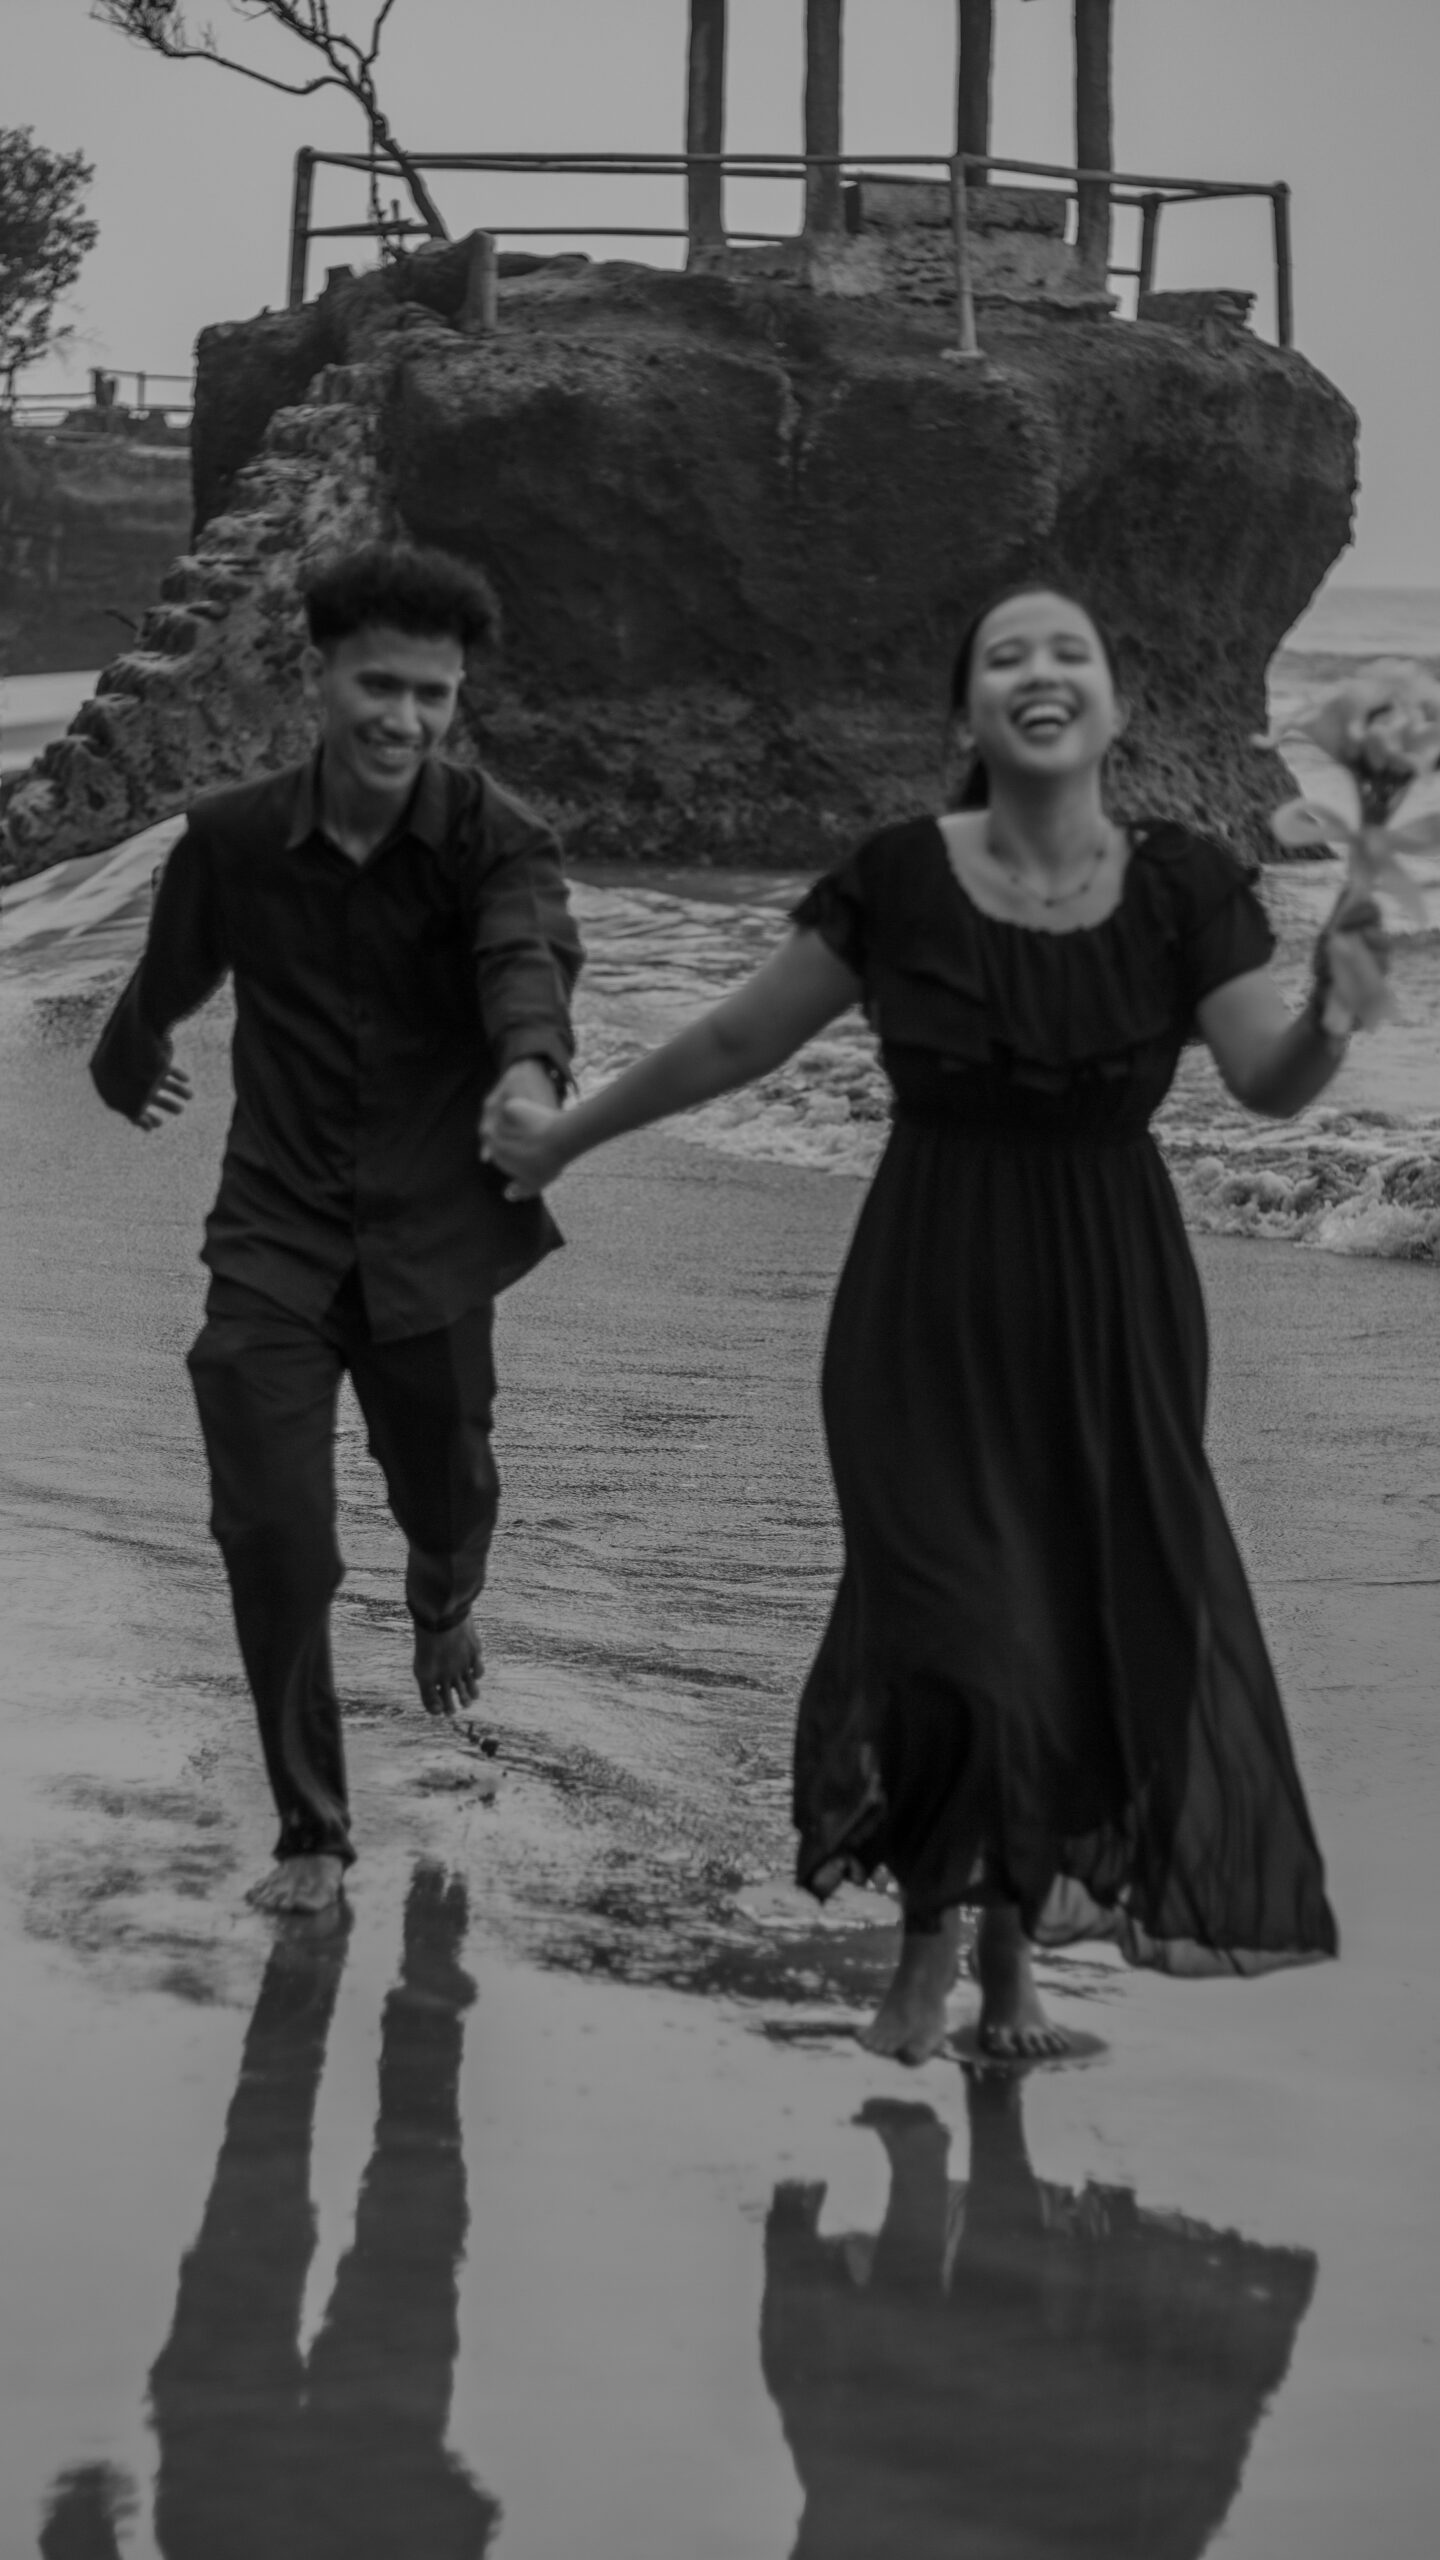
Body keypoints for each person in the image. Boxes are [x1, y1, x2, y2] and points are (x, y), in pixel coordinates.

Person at [483, 582, 1387, 2062]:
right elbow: (738, 1035)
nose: (1041, 670)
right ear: (969, 709)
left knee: (1065, 1627)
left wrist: (1338, 1011)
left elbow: (1269, 1085)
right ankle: (926, 1944)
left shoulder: (1186, 884)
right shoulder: (898, 876)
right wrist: (565, 1137)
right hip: (925, 1294)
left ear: (1116, 705)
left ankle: (1011, 1969)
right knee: (955, 1624)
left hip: (1113, 1304)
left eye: (1070, 651)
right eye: (1006, 654)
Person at [91, 540, 582, 1915]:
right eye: (380, 685)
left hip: (436, 1233)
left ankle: (442, 1596)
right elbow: (168, 976)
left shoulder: (497, 839)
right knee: (274, 1527)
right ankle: (312, 1828)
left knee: (448, 1487)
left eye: (433, 694)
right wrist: (129, 1059)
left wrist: (530, 1077)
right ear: (321, 676)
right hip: (276, 1231)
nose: (404, 718)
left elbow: (526, 965)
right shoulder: (233, 839)